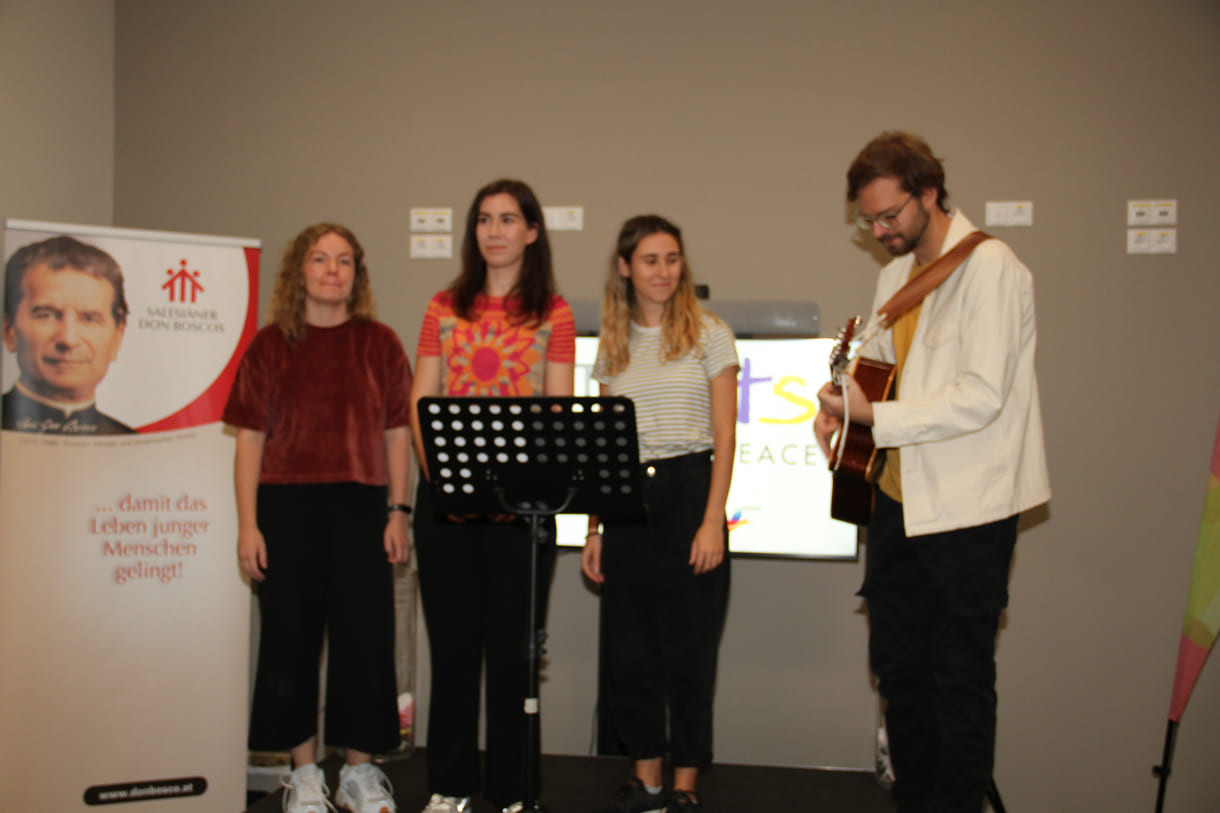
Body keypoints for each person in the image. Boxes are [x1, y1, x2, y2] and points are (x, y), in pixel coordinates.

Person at [814, 132, 1051, 813]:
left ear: (929, 193)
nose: (880, 230)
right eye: (869, 221)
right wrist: (840, 413)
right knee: (899, 671)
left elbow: (980, 396)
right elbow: (880, 378)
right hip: (898, 502)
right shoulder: (894, 277)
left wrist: (875, 420)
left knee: (959, 680)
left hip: (970, 512)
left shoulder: (993, 269)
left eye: (890, 215)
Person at [224, 223, 412, 813]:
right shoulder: (270, 346)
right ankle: (305, 777)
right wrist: (248, 525)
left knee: (365, 643)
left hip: (362, 510)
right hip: (285, 509)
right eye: (321, 259)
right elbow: (249, 441)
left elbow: (397, 435)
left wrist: (398, 512)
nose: (333, 270)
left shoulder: (380, 343)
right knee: (289, 644)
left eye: (345, 261)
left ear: (357, 276)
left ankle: (358, 775)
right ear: (299, 272)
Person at [410, 179, 575, 813]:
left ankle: (511, 795)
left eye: (509, 219)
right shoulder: (442, 306)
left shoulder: (553, 313)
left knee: (513, 660)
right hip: (445, 503)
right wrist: (444, 481)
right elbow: (422, 403)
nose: (495, 231)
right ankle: (450, 789)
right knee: (452, 656)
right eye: (484, 219)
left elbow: (557, 411)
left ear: (532, 231)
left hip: (521, 508)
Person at [581, 215, 738, 813]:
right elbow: (602, 445)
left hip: (690, 494)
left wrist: (710, 520)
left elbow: (725, 436)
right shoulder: (613, 345)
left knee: (690, 654)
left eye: (672, 259)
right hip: (626, 504)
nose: (663, 271)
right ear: (626, 268)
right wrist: (594, 527)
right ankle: (645, 777)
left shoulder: (710, 333)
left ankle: (684, 784)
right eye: (650, 260)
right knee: (630, 655)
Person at [2, 235, 134, 434]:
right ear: (9, 331)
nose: (68, 339)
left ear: (117, 338)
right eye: (46, 315)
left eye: (89, 319)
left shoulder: (131, 446)